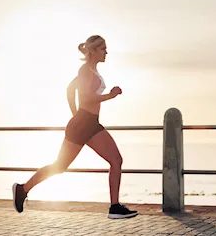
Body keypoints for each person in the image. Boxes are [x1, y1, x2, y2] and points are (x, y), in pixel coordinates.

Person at [12, 35, 138, 219]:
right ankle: (22, 189)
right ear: (93, 51)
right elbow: (86, 98)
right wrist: (108, 96)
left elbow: (70, 90)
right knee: (60, 166)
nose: (106, 52)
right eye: (103, 49)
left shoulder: (91, 70)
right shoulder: (85, 70)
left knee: (115, 160)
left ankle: (114, 207)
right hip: (84, 124)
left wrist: (76, 115)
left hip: (88, 123)